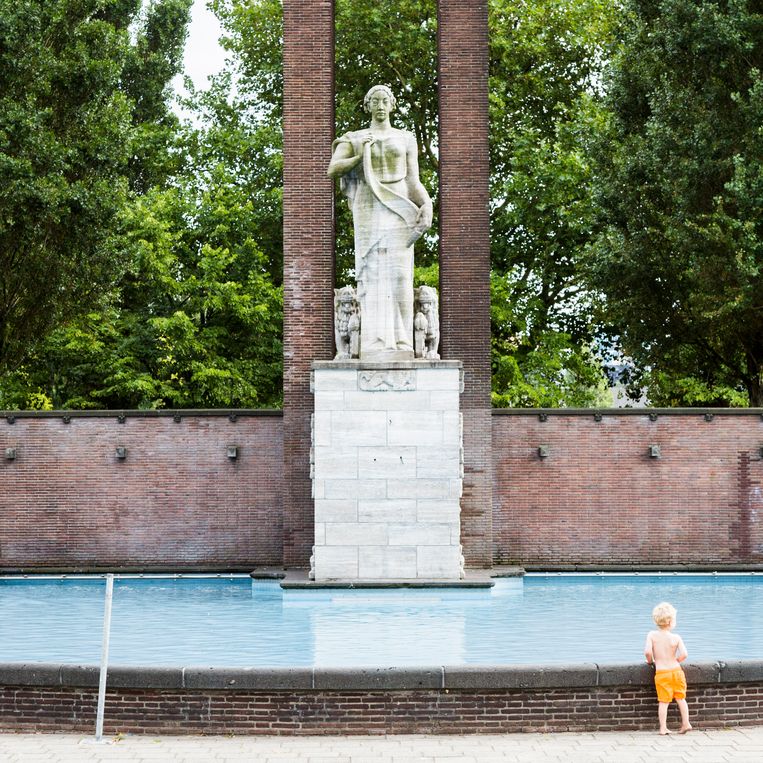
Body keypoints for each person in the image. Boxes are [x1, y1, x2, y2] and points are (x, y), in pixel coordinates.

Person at [327, 85, 433, 360]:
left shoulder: (406, 138)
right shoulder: (355, 137)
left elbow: (413, 181)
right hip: (368, 204)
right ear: (367, 106)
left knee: (400, 274)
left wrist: (427, 204)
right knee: (371, 271)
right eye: (374, 100)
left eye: (385, 100)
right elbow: (333, 168)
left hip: (399, 205)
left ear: (392, 104)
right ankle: (372, 343)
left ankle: (402, 343)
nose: (380, 104)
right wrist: (360, 156)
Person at [644, 601, 692, 735]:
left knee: (664, 701)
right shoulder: (676, 637)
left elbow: (647, 652)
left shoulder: (652, 635)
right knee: (681, 698)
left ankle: (663, 728)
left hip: (662, 673)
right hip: (677, 671)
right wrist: (676, 660)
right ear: (671, 621)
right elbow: (684, 654)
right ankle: (686, 723)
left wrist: (650, 661)